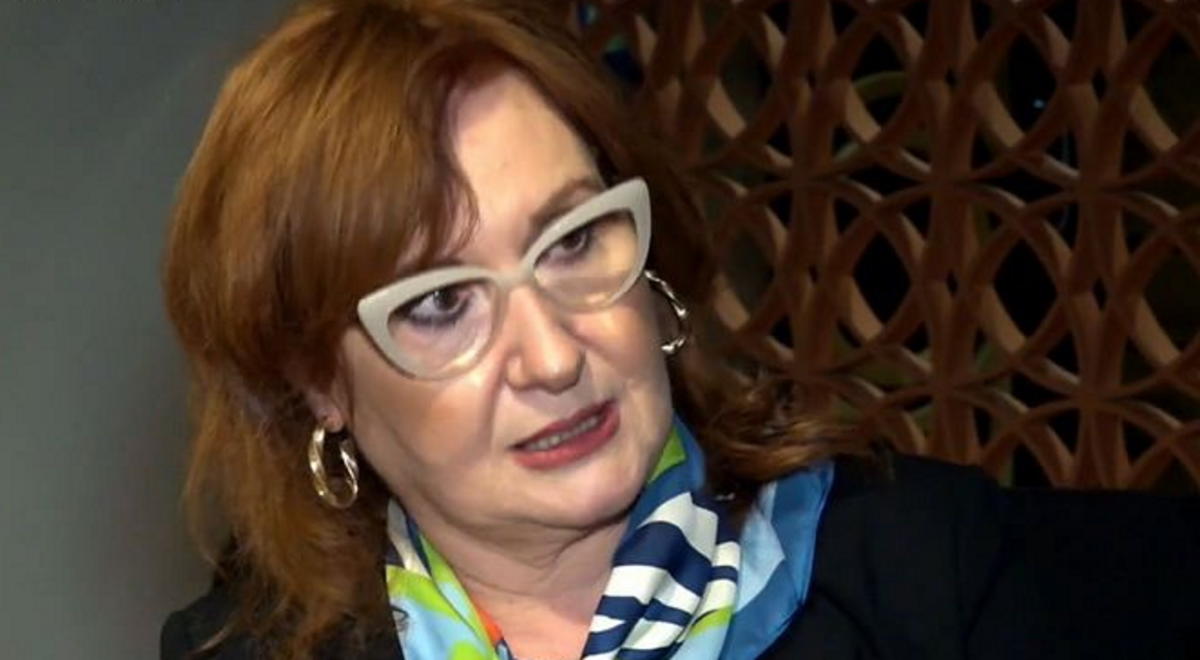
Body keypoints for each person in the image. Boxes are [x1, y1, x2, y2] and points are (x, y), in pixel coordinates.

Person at [160, 1, 1200, 659]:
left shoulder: (919, 569)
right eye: (440, 303)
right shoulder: (235, 648)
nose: (554, 356)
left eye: (573, 240)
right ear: (321, 381)